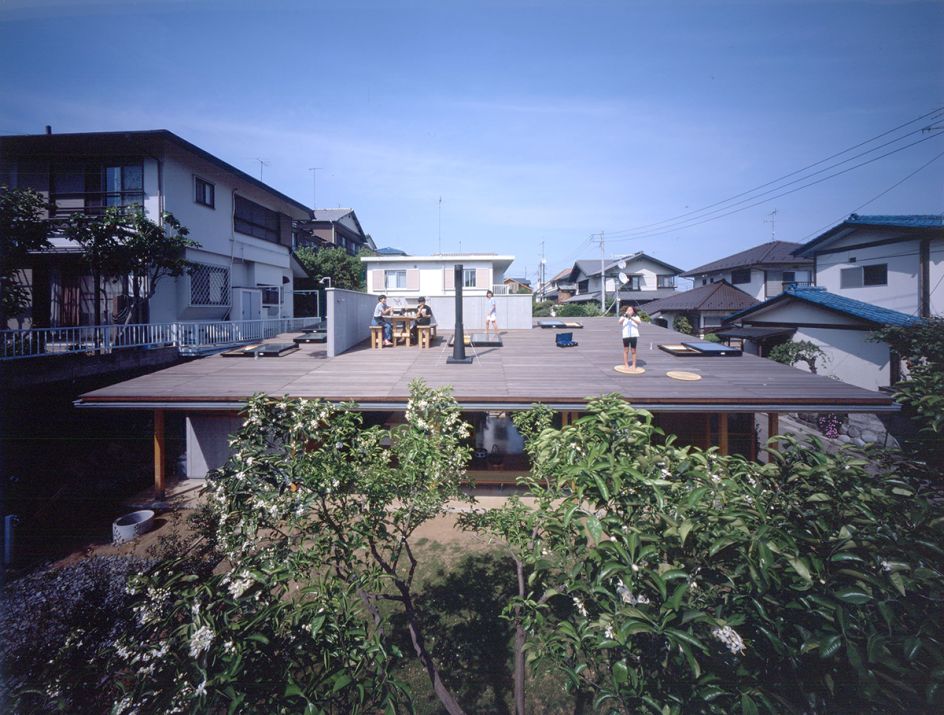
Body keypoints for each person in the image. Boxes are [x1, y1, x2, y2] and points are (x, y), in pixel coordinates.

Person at [619, 305, 641, 370]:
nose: (629, 311)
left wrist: (631, 318)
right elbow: (620, 322)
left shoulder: (636, 317)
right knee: (626, 350)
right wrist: (625, 316)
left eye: (631, 310)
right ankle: (626, 364)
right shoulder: (623, 317)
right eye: (628, 310)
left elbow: (639, 323)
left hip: (634, 335)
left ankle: (634, 365)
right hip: (626, 335)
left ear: (633, 311)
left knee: (633, 350)